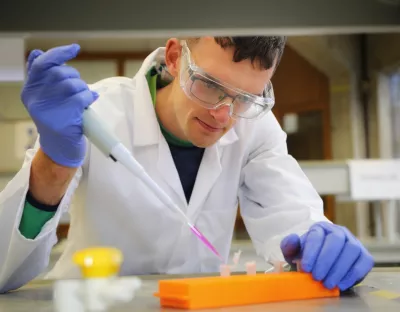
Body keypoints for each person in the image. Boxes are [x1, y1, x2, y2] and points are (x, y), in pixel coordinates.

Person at [0, 37, 373, 293]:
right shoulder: (100, 112)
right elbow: (6, 270)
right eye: (210, 85)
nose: (224, 115)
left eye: (245, 97)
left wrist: (317, 243)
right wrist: (54, 161)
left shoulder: (255, 126)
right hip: (96, 303)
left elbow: (292, 218)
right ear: (176, 58)